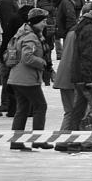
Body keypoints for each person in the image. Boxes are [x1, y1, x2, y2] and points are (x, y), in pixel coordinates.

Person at [56, 0, 92, 152]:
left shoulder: (85, 26)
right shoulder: (90, 29)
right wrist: (89, 79)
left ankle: (72, 142)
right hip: (86, 77)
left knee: (78, 109)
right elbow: (87, 56)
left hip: (79, 76)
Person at [5, 8, 55, 151]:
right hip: (26, 78)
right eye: (43, 21)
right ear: (36, 21)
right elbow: (27, 57)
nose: (45, 24)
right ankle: (37, 140)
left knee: (22, 108)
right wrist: (43, 63)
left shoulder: (23, 33)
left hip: (17, 77)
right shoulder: (31, 37)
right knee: (40, 106)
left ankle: (16, 141)